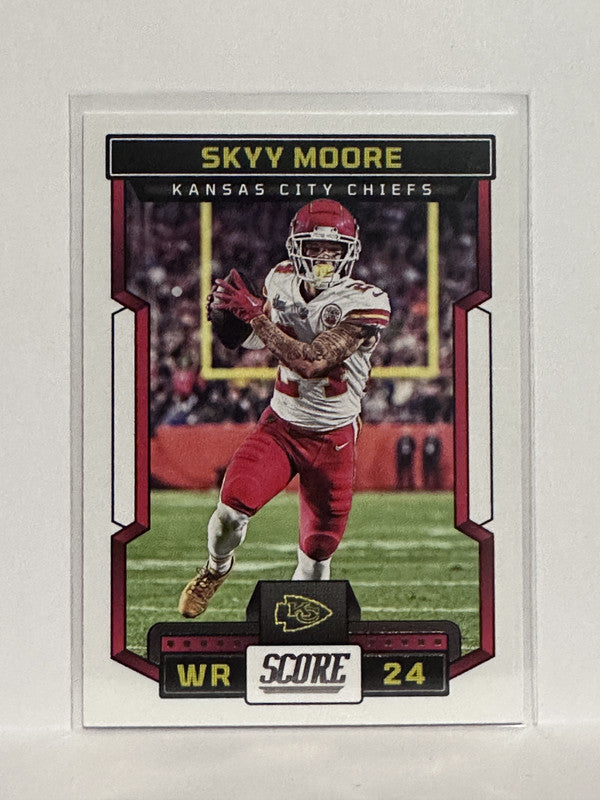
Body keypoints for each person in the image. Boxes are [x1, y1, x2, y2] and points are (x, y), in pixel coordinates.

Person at [178, 199, 391, 617]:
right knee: (230, 512)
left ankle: (298, 625)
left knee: (317, 556)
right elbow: (263, 338)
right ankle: (215, 568)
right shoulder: (280, 279)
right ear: (297, 247)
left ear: (350, 251)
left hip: (332, 440)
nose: (323, 257)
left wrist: (256, 318)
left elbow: (312, 361)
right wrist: (232, 326)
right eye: (314, 247)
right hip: (281, 427)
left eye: (333, 248)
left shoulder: (365, 301)